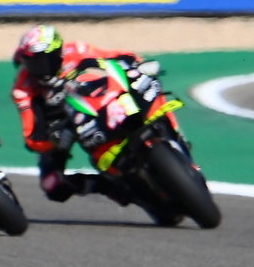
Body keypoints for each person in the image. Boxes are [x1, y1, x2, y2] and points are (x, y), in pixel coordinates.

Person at [11, 24, 158, 203]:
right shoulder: (23, 87)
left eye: (42, 60)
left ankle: (167, 130)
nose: (37, 67)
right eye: (31, 62)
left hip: (98, 98)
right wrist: (51, 140)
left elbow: (112, 56)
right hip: (63, 126)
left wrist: (135, 65)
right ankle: (108, 185)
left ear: (57, 52)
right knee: (52, 185)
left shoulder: (76, 50)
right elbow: (31, 134)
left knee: (145, 85)